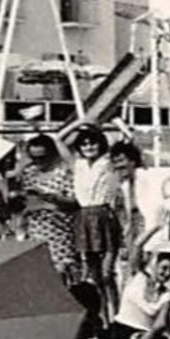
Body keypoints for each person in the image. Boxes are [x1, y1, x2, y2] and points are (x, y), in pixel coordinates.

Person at [101, 216, 170, 339]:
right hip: (121, 327)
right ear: (155, 266)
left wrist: (147, 338)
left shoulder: (167, 295)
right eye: (164, 268)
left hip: (144, 333)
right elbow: (137, 246)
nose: (166, 273)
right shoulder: (137, 276)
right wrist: (155, 228)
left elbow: (161, 322)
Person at [70, 126, 121, 322]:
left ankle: (116, 314)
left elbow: (127, 139)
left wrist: (101, 126)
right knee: (95, 275)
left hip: (103, 214)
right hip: (84, 217)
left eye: (93, 142)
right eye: (84, 143)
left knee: (107, 274)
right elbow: (59, 140)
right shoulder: (79, 164)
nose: (89, 146)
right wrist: (81, 123)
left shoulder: (107, 162)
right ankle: (103, 317)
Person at [17, 133, 79, 282]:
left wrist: (50, 198)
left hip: (59, 232)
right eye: (34, 158)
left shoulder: (63, 173)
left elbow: (75, 203)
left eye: (42, 157)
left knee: (60, 275)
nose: (38, 162)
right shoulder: (29, 173)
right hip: (35, 232)